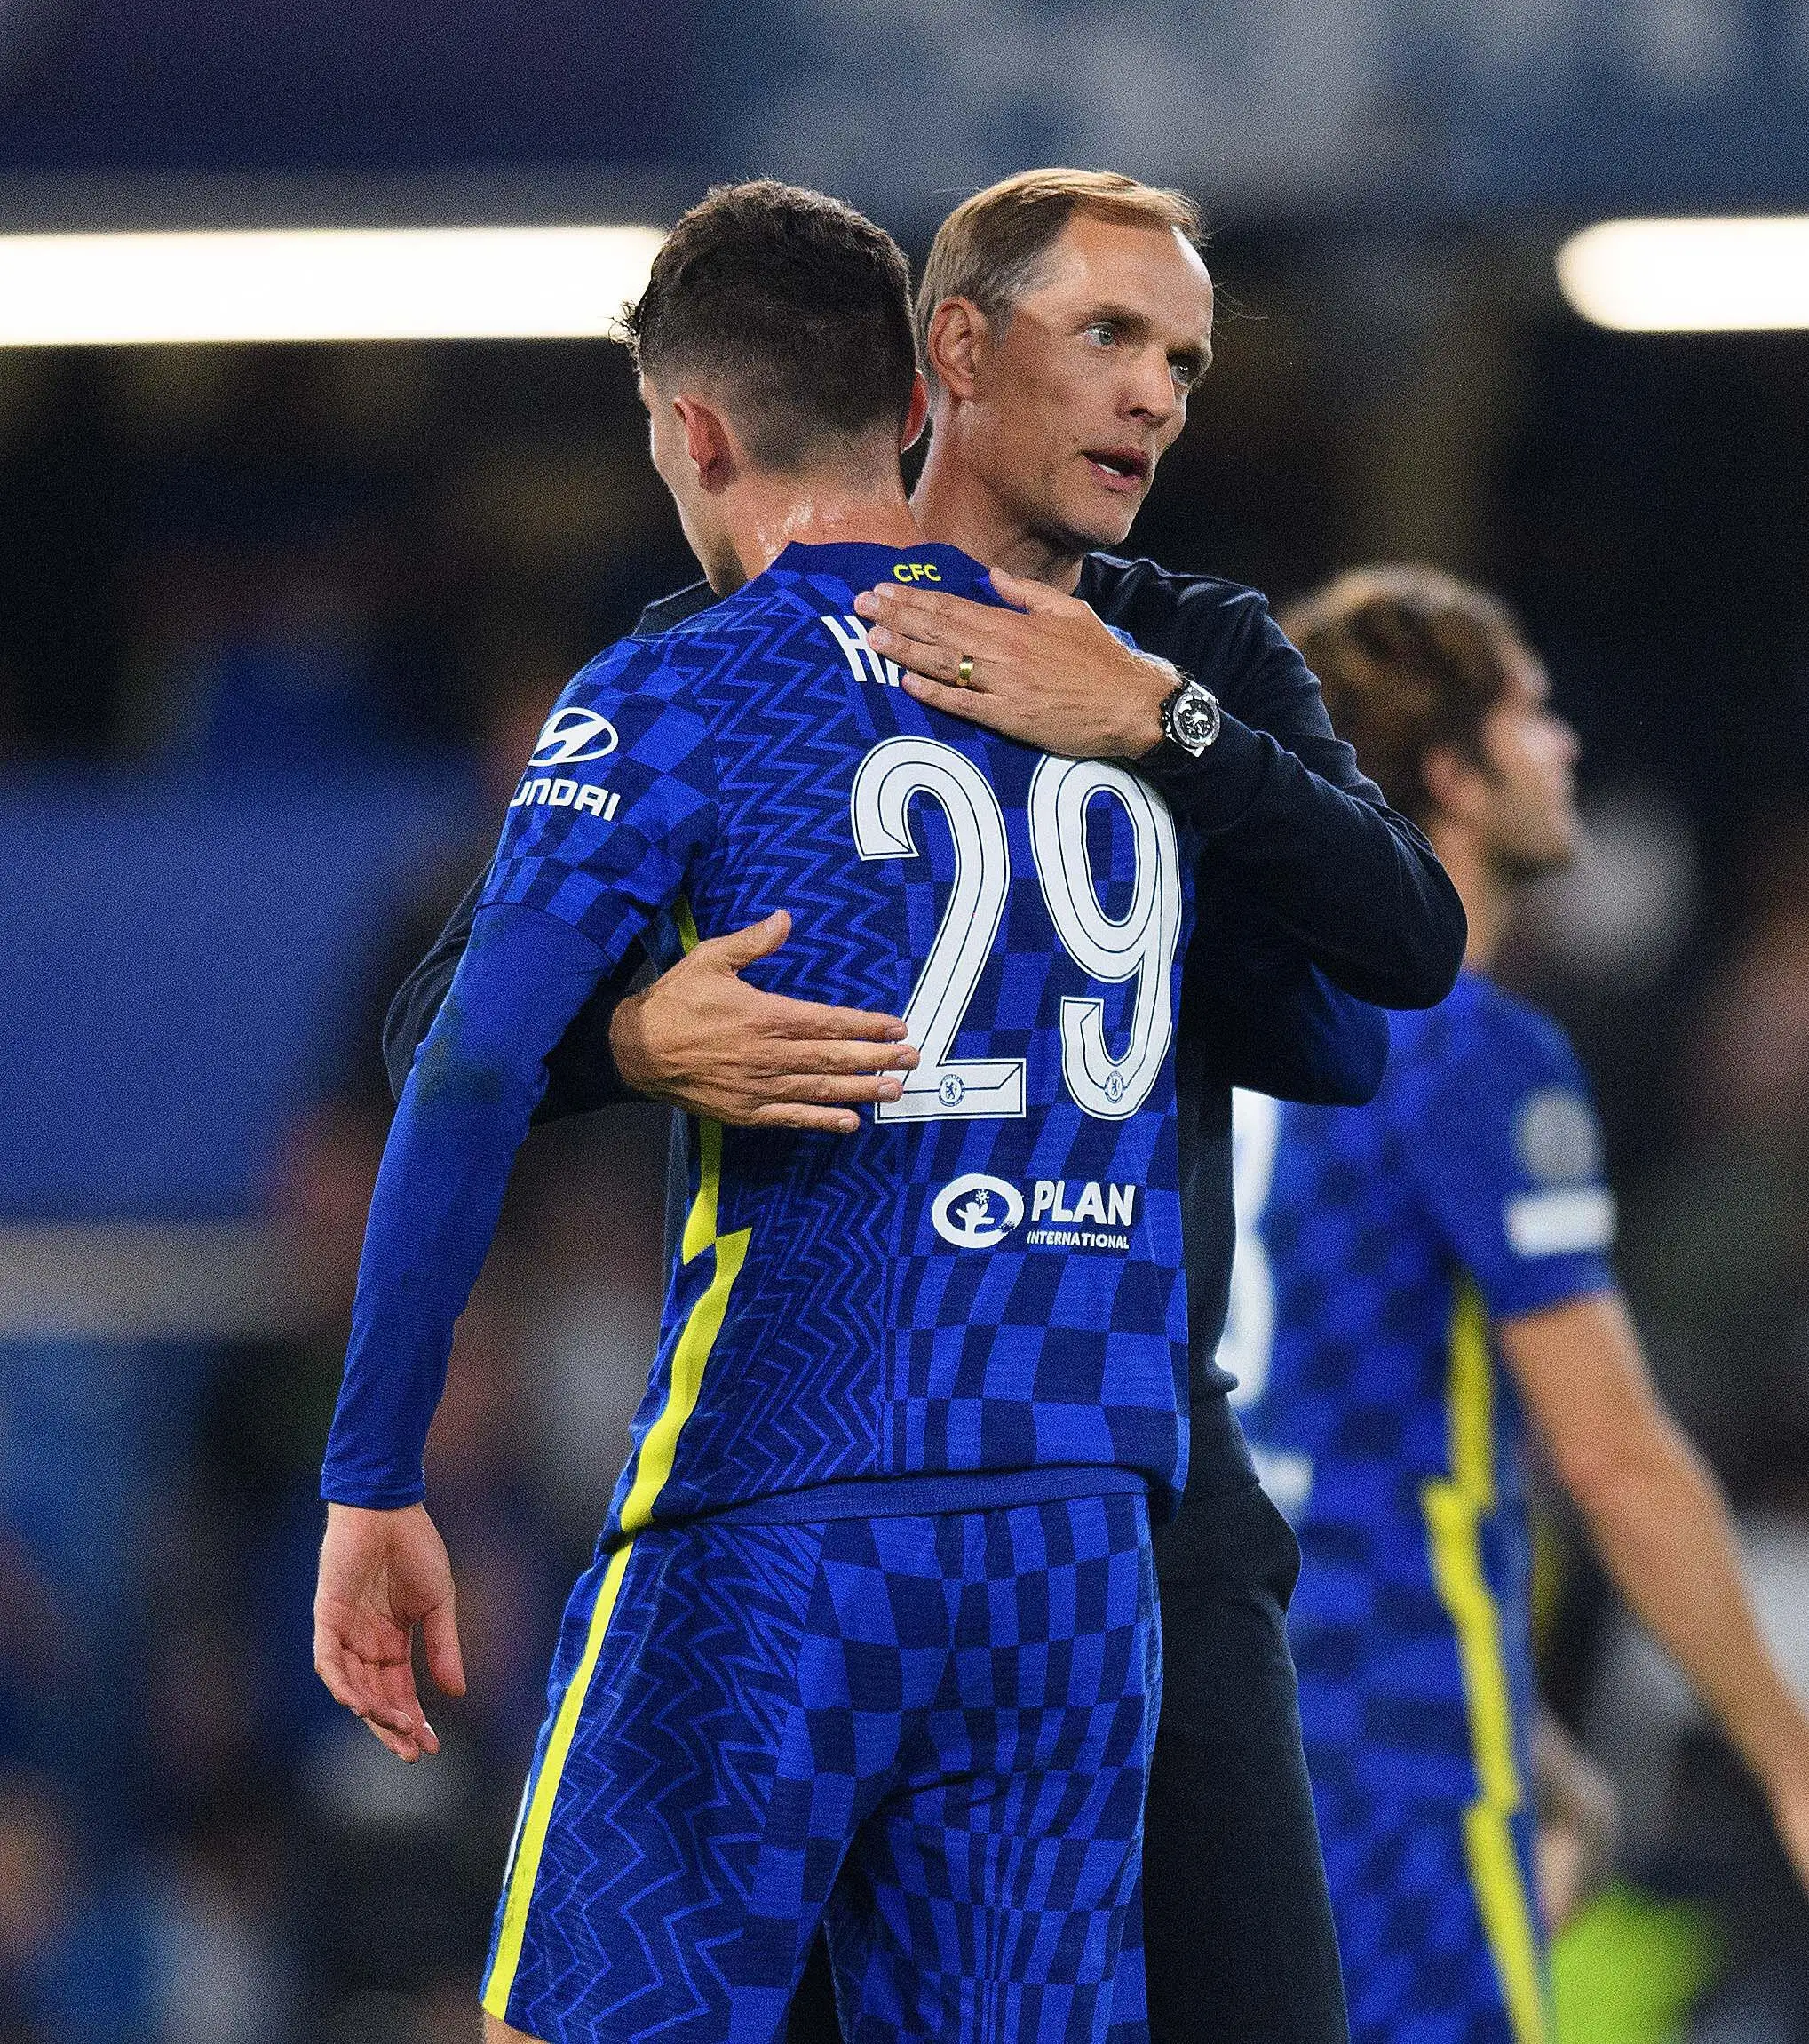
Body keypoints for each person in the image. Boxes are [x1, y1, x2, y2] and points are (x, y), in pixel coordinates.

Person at [387, 171, 1469, 2044]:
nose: (1159, 396)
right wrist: (643, 1037)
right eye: (1111, 338)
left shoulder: (1185, 655)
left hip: (1132, 1487)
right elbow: (447, 1033)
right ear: (947, 354)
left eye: (1189, 361)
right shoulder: (726, 646)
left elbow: (1381, 981)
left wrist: (1157, 731)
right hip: (832, 1454)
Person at [1230, 565, 1809, 2044]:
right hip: (1392, 1740)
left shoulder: (1200, 1031)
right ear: (1454, 778)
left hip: (1197, 1717)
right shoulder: (1468, 1052)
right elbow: (1613, 1456)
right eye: (1532, 716)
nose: (1564, 750)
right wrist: (1793, 1762)